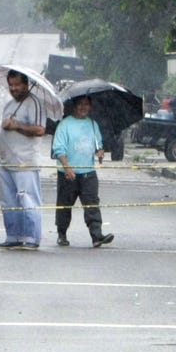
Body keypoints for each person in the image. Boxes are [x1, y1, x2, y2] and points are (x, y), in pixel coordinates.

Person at [0, 71, 49, 250]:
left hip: (25, 162)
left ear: (25, 85)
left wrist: (17, 125)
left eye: (17, 85)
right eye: (11, 85)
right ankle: (13, 236)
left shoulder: (34, 103)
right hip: (6, 161)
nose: (14, 88)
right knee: (9, 201)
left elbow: (40, 130)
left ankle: (31, 238)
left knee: (27, 199)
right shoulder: (9, 105)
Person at [53, 93, 112, 247]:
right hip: (68, 174)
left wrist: (100, 153)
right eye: (80, 104)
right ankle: (62, 234)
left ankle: (97, 236)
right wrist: (67, 167)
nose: (83, 107)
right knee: (64, 205)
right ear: (74, 106)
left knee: (92, 204)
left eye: (86, 104)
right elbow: (58, 149)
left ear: (90, 107)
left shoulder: (93, 124)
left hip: (88, 174)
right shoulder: (65, 124)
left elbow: (98, 145)